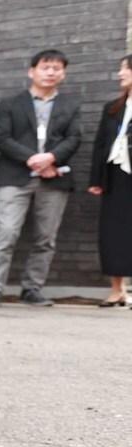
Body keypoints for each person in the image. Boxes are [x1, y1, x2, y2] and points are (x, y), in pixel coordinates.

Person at [0, 49, 82, 307]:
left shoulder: (70, 105)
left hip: (54, 178)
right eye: (45, 67)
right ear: (32, 71)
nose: (51, 72)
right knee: (6, 233)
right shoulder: (10, 104)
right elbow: (2, 139)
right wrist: (33, 159)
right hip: (14, 178)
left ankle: (32, 288)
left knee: (46, 238)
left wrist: (50, 158)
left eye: (56, 68)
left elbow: (74, 139)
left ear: (63, 74)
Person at [87, 54, 132, 307]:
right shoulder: (113, 108)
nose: (120, 74)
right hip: (115, 175)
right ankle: (117, 289)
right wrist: (97, 178)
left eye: (125, 69)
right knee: (113, 232)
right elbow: (100, 145)